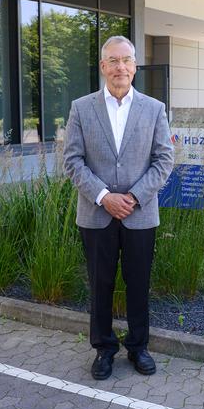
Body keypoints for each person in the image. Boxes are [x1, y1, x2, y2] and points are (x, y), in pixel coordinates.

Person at [64, 36, 173, 381]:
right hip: (97, 213)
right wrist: (103, 196)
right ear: (102, 67)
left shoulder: (154, 109)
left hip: (140, 213)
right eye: (112, 61)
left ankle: (139, 346)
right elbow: (73, 160)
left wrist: (135, 196)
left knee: (138, 282)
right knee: (100, 284)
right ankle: (104, 349)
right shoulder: (82, 108)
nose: (120, 67)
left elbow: (164, 160)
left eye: (126, 60)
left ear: (135, 66)